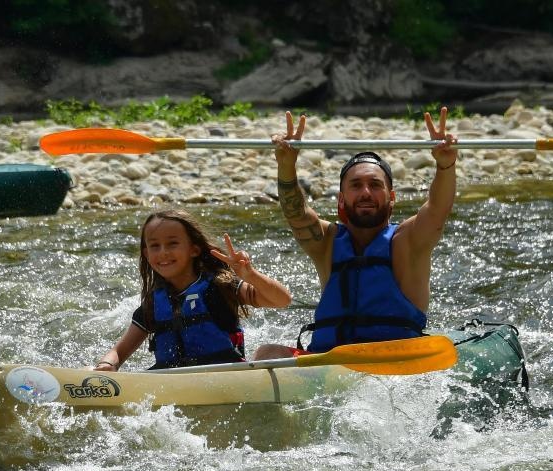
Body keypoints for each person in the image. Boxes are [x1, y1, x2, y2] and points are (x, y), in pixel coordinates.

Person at [255, 106, 459, 358]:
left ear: (391, 197)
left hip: (396, 361)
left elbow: (438, 209)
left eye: (375, 185)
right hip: (329, 364)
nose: (365, 193)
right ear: (341, 199)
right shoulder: (327, 243)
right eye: (356, 185)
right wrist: (287, 166)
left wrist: (445, 166)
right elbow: (296, 213)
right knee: (267, 353)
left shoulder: (409, 241)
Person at [94, 208, 292, 371]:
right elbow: (119, 352)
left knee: (271, 352)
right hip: (170, 383)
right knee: (90, 372)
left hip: (226, 377)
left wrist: (251, 276)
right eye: (155, 246)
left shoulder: (220, 286)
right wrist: (107, 364)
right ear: (146, 254)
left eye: (172, 243)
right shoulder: (154, 303)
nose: (163, 252)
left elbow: (282, 300)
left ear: (194, 249)